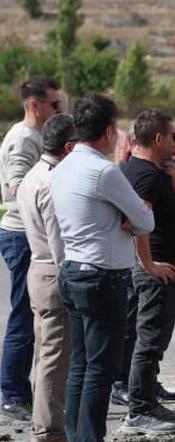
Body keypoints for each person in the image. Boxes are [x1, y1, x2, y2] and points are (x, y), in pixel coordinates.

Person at [51, 95, 154, 442]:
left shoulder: (62, 167)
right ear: (110, 131)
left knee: (80, 365)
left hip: (74, 270)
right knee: (99, 368)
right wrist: (133, 216)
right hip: (102, 276)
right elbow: (145, 221)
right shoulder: (104, 171)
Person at [117, 110, 175, 435]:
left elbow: (172, 217)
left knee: (154, 341)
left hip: (166, 265)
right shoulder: (144, 176)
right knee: (149, 341)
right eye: (174, 136)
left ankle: (148, 400)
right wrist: (148, 264)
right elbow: (133, 222)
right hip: (157, 271)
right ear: (160, 138)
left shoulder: (151, 173)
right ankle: (139, 411)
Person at [0, 78, 62, 422]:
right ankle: (12, 393)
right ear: (34, 105)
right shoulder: (22, 139)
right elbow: (19, 189)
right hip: (22, 235)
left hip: (32, 234)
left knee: (36, 316)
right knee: (25, 315)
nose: (59, 110)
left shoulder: (37, 136)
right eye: (54, 105)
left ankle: (22, 391)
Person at [15, 113, 75, 442]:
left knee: (49, 352)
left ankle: (51, 427)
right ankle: (48, 433)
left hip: (39, 268)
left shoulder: (33, 177)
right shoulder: (53, 183)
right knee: (55, 355)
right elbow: (59, 243)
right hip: (53, 269)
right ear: (68, 146)